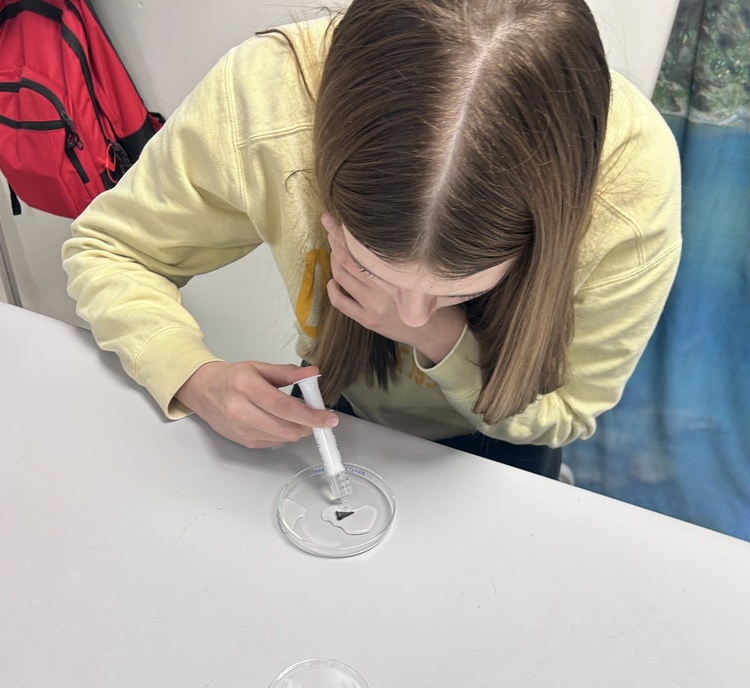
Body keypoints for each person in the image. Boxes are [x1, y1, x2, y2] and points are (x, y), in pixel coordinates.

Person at [62, 0, 681, 479]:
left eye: (455, 290)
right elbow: (110, 249)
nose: (402, 315)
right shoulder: (266, 103)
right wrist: (193, 375)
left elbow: (565, 415)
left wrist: (442, 338)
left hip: (507, 445)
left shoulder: (629, 196)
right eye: (368, 263)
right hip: (341, 413)